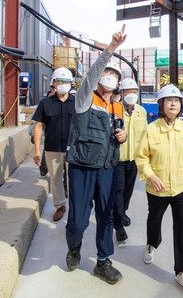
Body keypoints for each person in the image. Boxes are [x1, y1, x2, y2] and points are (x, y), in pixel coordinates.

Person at [65, 26, 127, 285]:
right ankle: (75, 244)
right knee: (79, 218)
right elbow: (90, 75)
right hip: (82, 166)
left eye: (114, 74)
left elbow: (118, 132)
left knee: (106, 214)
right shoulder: (85, 98)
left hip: (107, 167)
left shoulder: (118, 106)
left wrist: (122, 136)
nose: (109, 76)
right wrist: (111, 50)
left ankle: (103, 261)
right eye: (107, 72)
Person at [135, 84, 183, 296]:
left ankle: (182, 271)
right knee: (154, 220)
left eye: (177, 100)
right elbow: (141, 157)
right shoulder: (151, 130)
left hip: (181, 187)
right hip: (157, 188)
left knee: (182, 227)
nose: (174, 103)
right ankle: (151, 243)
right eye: (169, 100)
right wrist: (150, 176)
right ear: (161, 105)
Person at [31, 67, 75, 222]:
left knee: (74, 178)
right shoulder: (45, 103)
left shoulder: (77, 103)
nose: (63, 84)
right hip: (52, 149)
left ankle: (76, 207)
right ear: (54, 83)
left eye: (66, 81)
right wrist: (37, 149)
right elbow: (38, 126)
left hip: (73, 150)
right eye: (60, 81)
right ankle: (60, 206)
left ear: (71, 84)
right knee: (56, 179)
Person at [112, 78, 148, 243]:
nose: (131, 95)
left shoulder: (141, 111)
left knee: (128, 190)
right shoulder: (114, 109)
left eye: (134, 91)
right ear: (121, 93)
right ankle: (118, 227)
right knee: (118, 191)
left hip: (134, 159)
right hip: (118, 158)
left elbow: (145, 135)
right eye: (128, 92)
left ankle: (122, 212)